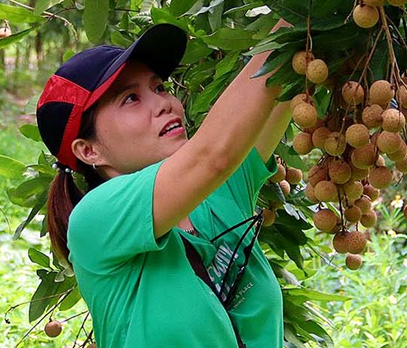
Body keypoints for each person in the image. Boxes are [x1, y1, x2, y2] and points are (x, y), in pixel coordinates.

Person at [37, 21, 293, 348]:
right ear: (89, 150)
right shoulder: (94, 220)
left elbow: (287, 82)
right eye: (130, 98)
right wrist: (291, 20)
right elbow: (214, 156)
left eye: (158, 87)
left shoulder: (216, 194)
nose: (164, 104)